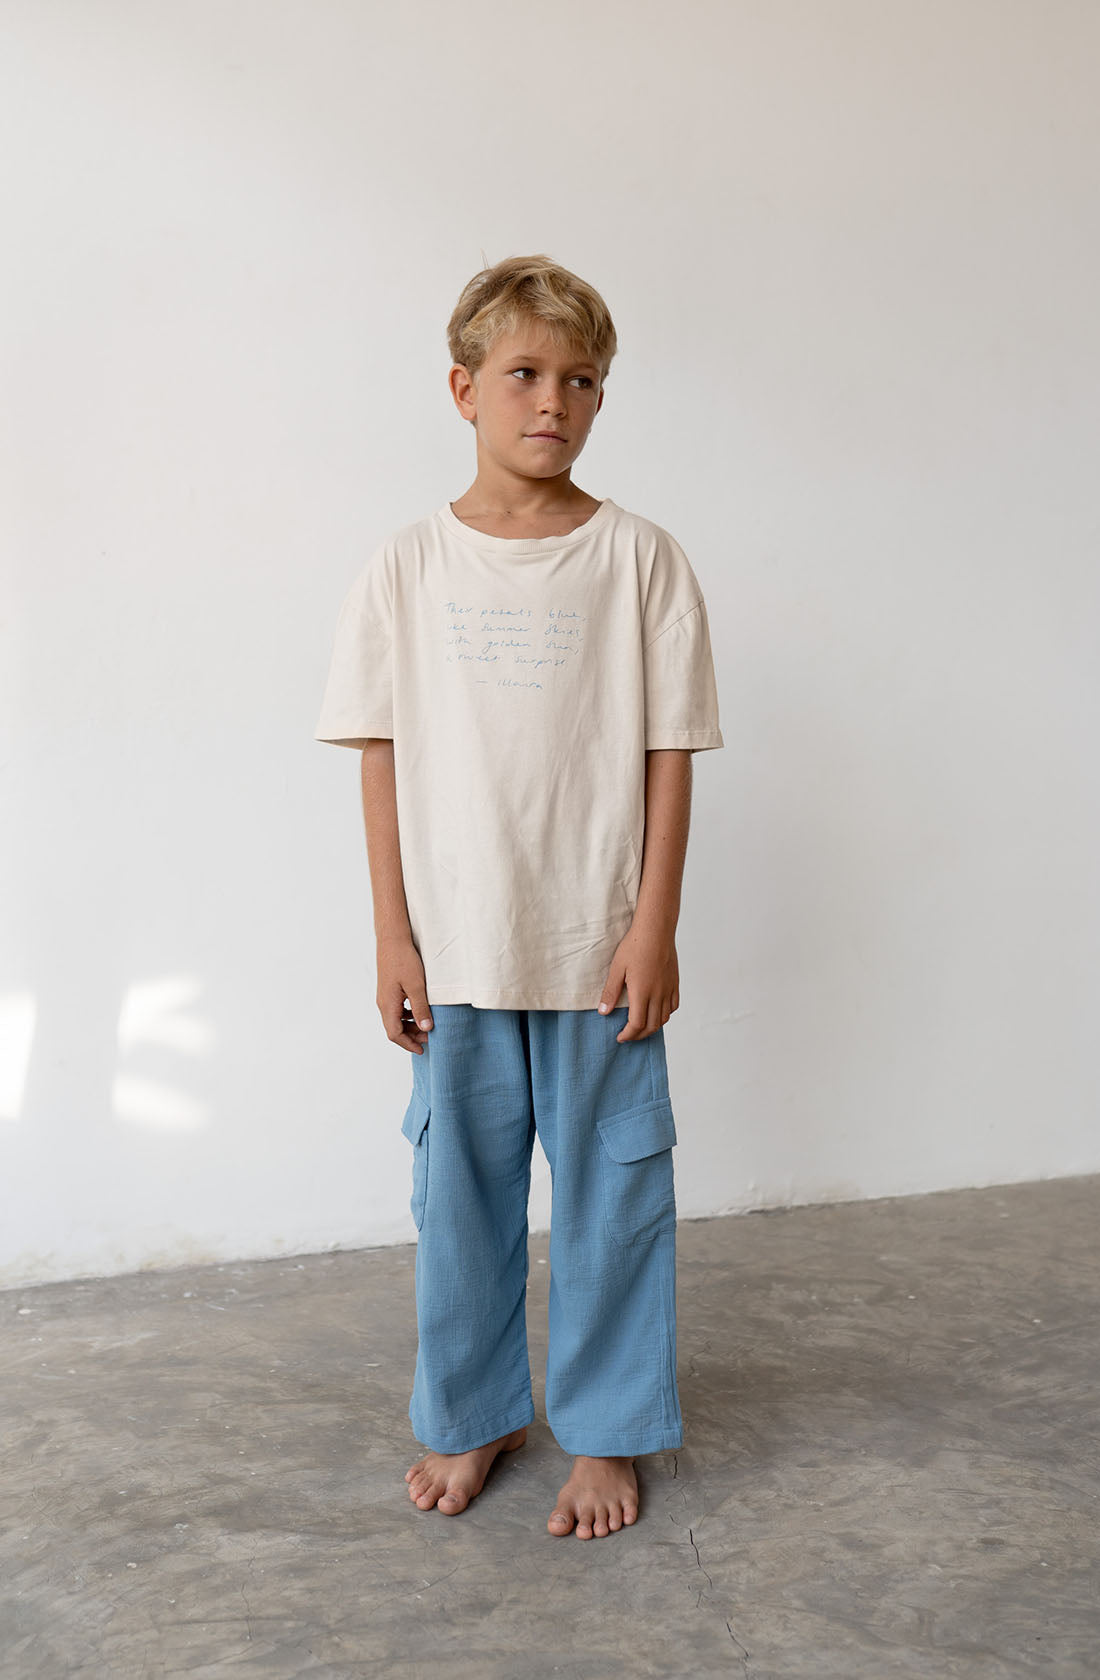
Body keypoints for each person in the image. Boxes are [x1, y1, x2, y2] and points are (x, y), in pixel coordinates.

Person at [315, 254, 724, 1541]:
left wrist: (652, 924)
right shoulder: (405, 566)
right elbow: (377, 752)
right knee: (460, 1195)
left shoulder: (640, 561)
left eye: (581, 380)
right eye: (525, 374)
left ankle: (604, 1432)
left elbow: (667, 753)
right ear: (463, 388)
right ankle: (476, 1405)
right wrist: (391, 930)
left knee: (612, 1197)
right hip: (457, 947)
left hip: (596, 948)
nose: (553, 401)